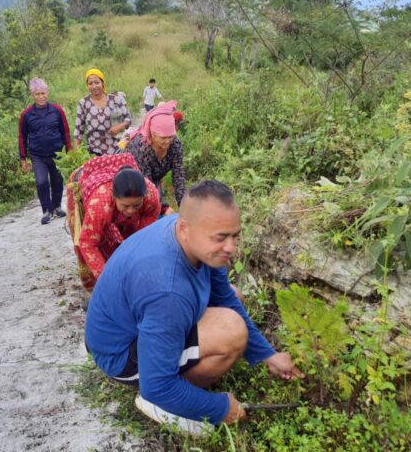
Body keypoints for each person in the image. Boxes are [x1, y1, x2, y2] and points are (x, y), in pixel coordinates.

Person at [84, 180, 303, 432]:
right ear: (185, 228)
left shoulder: (189, 232)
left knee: (235, 296)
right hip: (121, 356)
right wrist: (219, 408)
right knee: (231, 331)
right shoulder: (168, 290)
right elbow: (157, 385)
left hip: (136, 323)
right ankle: (164, 406)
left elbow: (224, 297)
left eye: (235, 236)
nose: (231, 247)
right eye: (221, 238)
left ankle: (178, 390)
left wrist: (266, 354)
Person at [66, 153, 161, 290]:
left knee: (130, 239)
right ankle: (93, 291)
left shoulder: (151, 195)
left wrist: (136, 247)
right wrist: (107, 281)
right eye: (125, 206)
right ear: (114, 196)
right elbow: (88, 244)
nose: (130, 211)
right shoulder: (99, 205)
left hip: (114, 195)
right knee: (90, 244)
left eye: (136, 206)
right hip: (84, 185)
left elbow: (149, 223)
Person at [19, 77, 72, 225]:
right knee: (41, 182)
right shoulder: (26, 115)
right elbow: (22, 137)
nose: (41, 97)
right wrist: (23, 158)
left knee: (57, 180)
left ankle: (56, 207)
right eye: (37, 94)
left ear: (47, 93)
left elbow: (65, 132)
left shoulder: (57, 111)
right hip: (38, 156)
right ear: (32, 95)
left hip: (56, 153)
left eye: (43, 93)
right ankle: (46, 211)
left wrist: (69, 152)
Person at [127, 100, 186, 207]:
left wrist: (183, 204)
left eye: (170, 136)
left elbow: (179, 175)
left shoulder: (175, 144)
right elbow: (147, 187)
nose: (168, 141)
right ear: (152, 134)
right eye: (163, 137)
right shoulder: (142, 149)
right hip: (134, 180)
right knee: (142, 208)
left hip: (153, 178)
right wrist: (164, 208)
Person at [73, 68, 131, 156]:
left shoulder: (115, 99)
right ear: (87, 85)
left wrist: (119, 127)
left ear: (102, 83)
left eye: (97, 82)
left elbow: (128, 119)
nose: (94, 86)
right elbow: (78, 131)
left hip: (117, 149)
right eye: (90, 83)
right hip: (94, 152)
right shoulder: (84, 103)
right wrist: (75, 155)